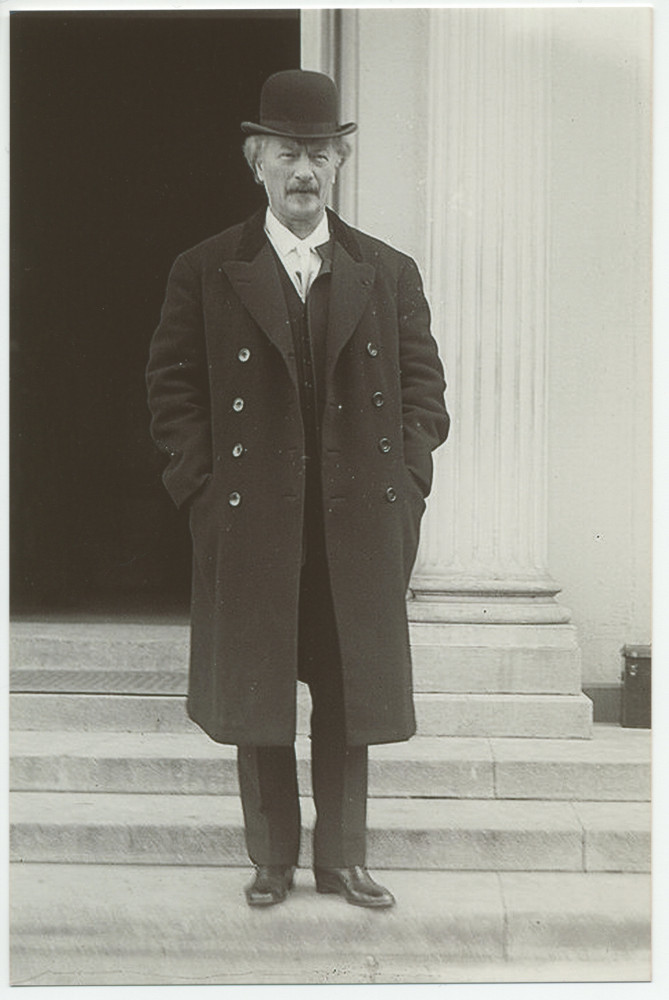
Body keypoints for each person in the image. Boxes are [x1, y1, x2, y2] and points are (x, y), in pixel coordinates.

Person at [146, 69, 449, 909]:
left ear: (341, 161)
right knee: (258, 692)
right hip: (252, 522)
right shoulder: (207, 270)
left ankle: (342, 859)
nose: (305, 171)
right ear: (256, 161)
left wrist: (406, 482)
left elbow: (425, 392)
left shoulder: (386, 271)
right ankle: (273, 857)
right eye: (288, 153)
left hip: (355, 525)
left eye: (320, 153)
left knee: (349, 693)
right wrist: (202, 490)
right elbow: (171, 392)